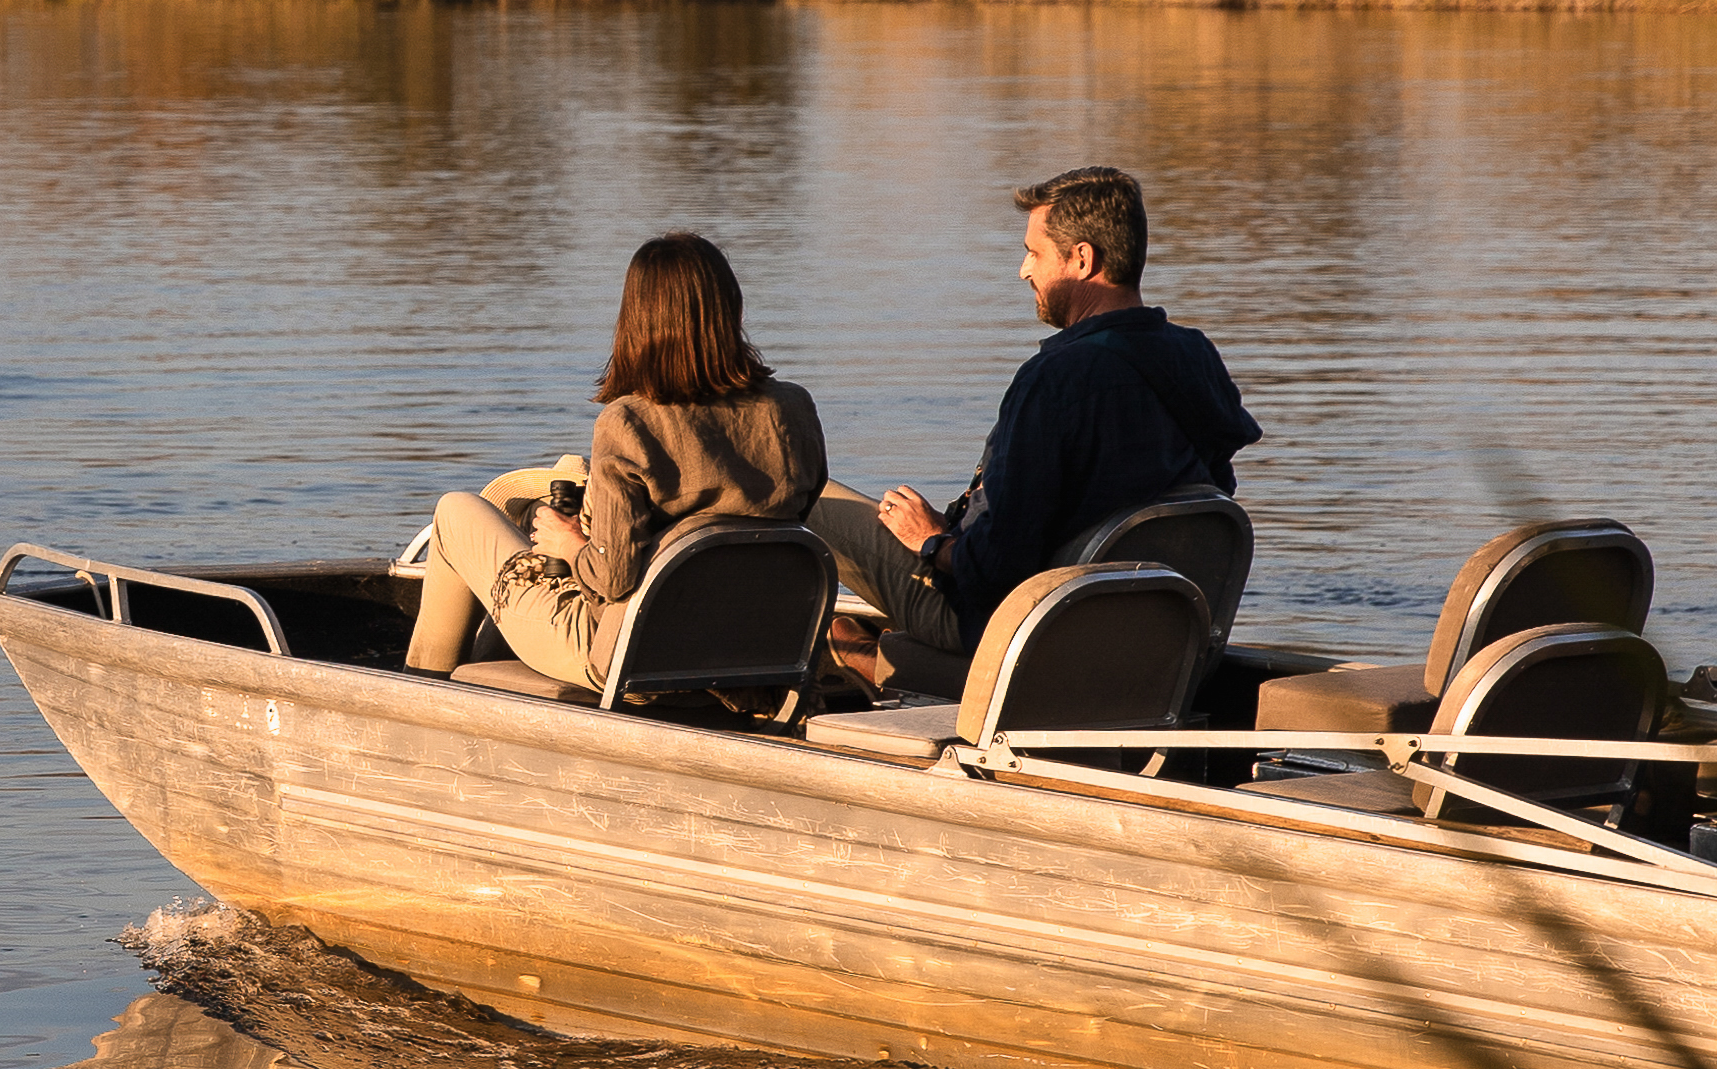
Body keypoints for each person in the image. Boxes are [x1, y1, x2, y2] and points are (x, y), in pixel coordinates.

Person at [815, 164, 1259, 692]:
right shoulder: (1196, 357)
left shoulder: (1052, 381)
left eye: (1034, 252)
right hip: (1142, 626)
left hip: (1017, 627)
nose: (1024, 271)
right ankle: (881, 652)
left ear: (1082, 259)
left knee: (811, 495)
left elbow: (995, 570)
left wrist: (932, 539)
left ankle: (860, 660)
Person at [403, 233, 830, 687]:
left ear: (635, 323)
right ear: (734, 313)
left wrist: (567, 543)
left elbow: (611, 579)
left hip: (623, 656)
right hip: (753, 653)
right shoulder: (793, 408)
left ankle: (416, 691)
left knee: (455, 512)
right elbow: (791, 524)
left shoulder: (628, 421)